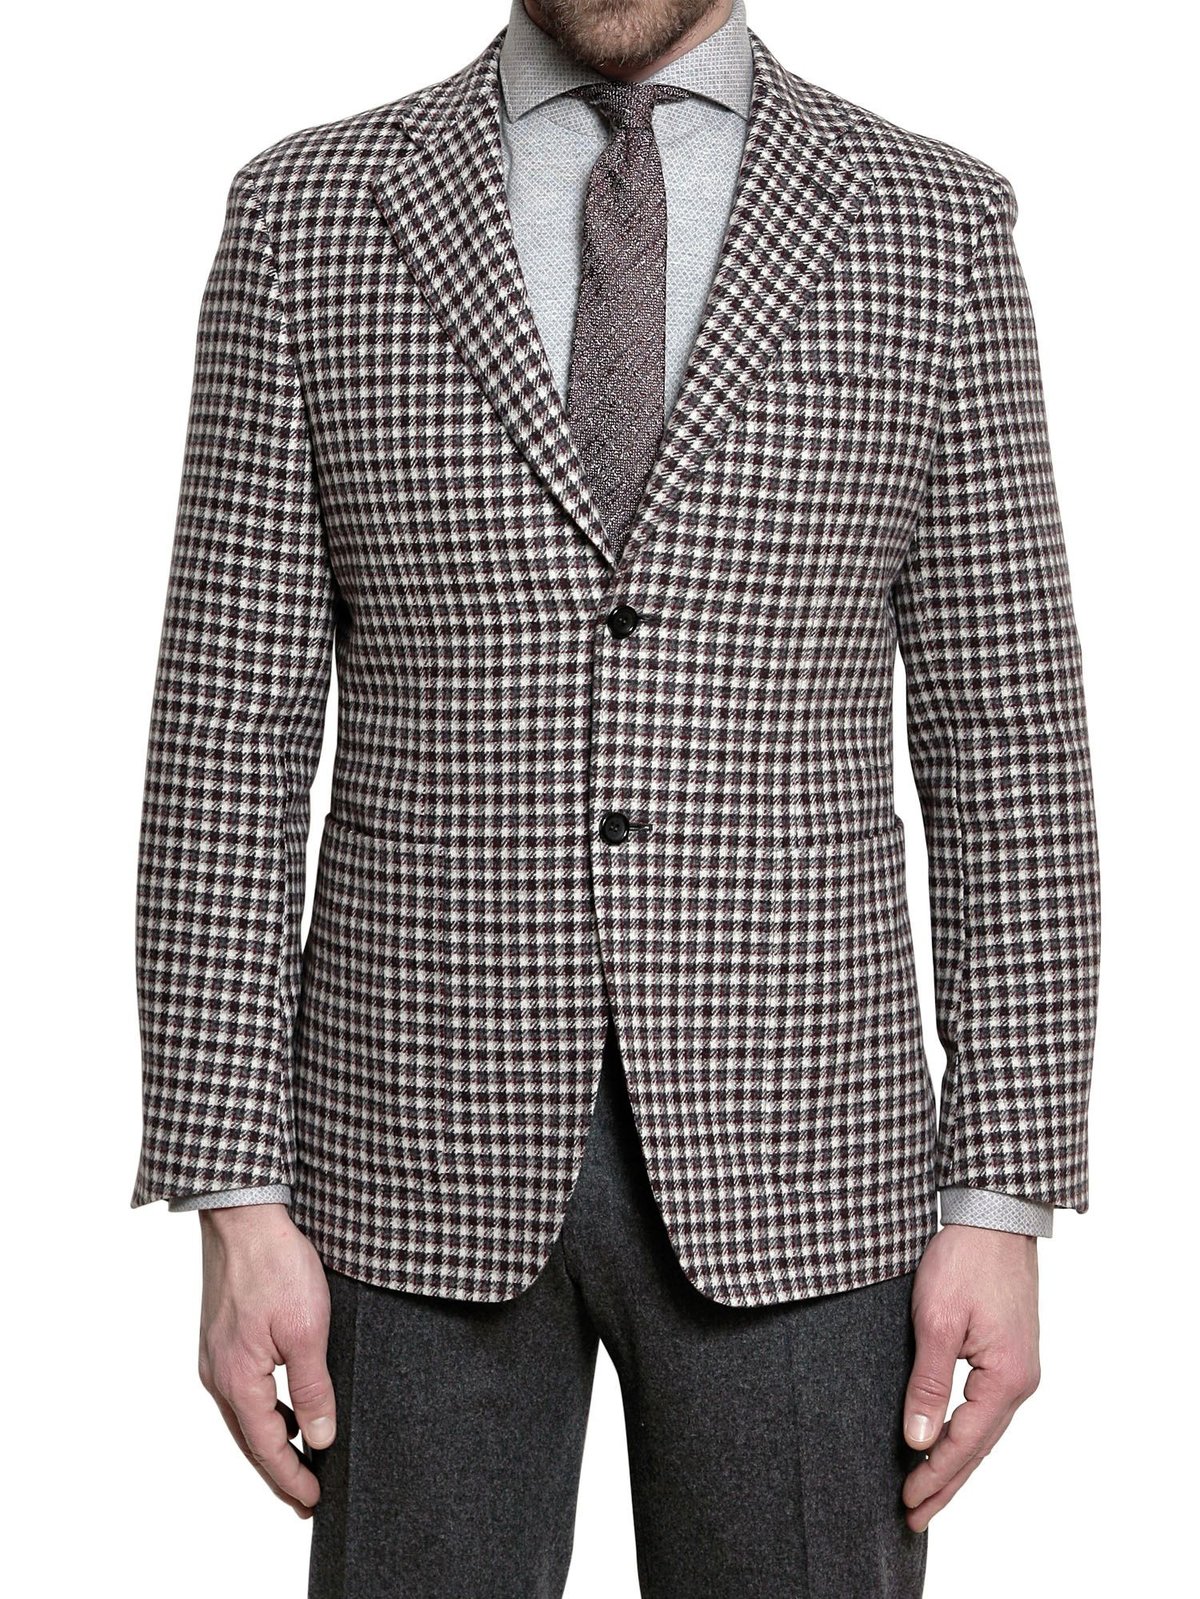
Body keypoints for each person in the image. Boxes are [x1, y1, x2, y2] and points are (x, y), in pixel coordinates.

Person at [131, 1, 1100, 1593]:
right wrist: (233, 1191)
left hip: (809, 1161)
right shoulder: (310, 215)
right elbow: (225, 738)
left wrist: (1002, 1195)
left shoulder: (931, 225)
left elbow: (1011, 748)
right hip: (401, 1151)